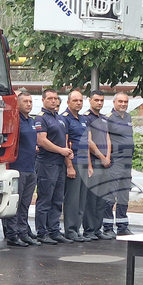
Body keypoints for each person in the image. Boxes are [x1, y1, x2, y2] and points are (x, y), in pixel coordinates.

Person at [34, 88, 74, 244]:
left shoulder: (59, 118)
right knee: (45, 199)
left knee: (57, 199)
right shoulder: (41, 118)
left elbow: (63, 140)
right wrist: (62, 151)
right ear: (43, 100)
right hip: (46, 163)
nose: (53, 101)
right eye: (50, 98)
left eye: (56, 98)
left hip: (59, 164)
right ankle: (42, 232)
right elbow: (41, 141)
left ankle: (54, 230)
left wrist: (67, 153)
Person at [4, 89, 40, 246]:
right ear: (17, 104)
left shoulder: (31, 121)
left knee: (25, 204)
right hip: (18, 167)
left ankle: (23, 232)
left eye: (31, 101)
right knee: (15, 203)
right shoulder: (15, 120)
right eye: (25, 101)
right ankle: (12, 234)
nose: (29, 104)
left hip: (31, 167)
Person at [61, 89, 90, 242]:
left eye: (80, 101)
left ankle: (77, 229)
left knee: (81, 199)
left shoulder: (83, 119)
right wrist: (69, 166)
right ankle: (70, 230)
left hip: (84, 162)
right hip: (75, 162)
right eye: (75, 100)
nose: (78, 103)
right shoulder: (65, 119)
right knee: (72, 198)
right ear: (68, 102)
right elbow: (65, 144)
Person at [84, 90, 113, 240]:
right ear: (90, 100)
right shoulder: (86, 118)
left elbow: (107, 139)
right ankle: (88, 229)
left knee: (102, 198)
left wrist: (107, 156)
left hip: (105, 163)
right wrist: (101, 157)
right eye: (96, 100)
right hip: (95, 162)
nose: (99, 103)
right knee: (92, 198)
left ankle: (97, 229)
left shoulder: (103, 119)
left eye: (101, 100)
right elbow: (88, 142)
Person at [104, 93, 134, 236]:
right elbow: (104, 139)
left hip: (127, 163)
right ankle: (108, 227)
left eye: (125, 102)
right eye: (120, 101)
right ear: (114, 102)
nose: (123, 104)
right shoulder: (108, 118)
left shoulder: (128, 117)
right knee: (110, 195)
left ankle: (122, 226)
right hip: (115, 162)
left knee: (124, 195)